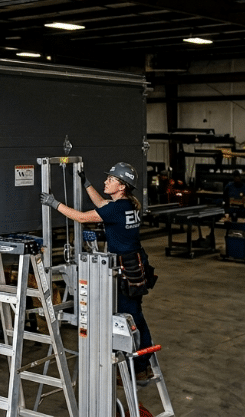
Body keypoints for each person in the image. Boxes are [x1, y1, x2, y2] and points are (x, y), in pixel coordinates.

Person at [40, 162, 155, 379]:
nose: (106, 181)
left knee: (130, 316)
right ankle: (140, 364)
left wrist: (54, 203)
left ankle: (139, 366)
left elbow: (83, 218)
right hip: (135, 265)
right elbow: (102, 204)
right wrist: (87, 183)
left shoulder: (117, 209)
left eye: (111, 179)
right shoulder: (128, 205)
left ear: (122, 186)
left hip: (125, 270)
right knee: (133, 314)